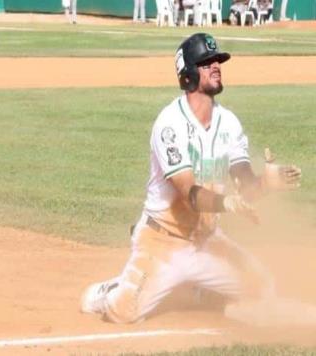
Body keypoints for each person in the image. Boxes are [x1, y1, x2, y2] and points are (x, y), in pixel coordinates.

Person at [80, 33, 302, 323]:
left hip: (207, 240)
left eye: (217, 61)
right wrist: (230, 204)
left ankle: (197, 288)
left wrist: (265, 184)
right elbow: (190, 194)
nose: (216, 66)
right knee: (125, 312)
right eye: (206, 62)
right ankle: (111, 289)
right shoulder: (170, 124)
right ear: (188, 75)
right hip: (163, 241)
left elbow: (244, 186)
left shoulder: (229, 123)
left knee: (262, 287)